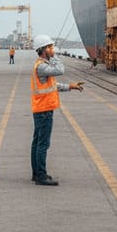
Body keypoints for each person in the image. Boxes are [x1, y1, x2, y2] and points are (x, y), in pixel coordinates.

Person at [30, 33, 84, 186]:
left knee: (37, 142)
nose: (52, 49)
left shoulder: (41, 66)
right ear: (43, 49)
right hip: (44, 110)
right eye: (50, 47)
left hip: (41, 109)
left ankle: (36, 173)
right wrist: (55, 55)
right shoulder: (41, 66)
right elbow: (60, 70)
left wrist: (70, 87)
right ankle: (41, 175)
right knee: (43, 144)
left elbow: (53, 86)